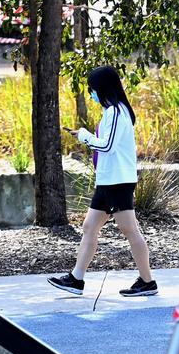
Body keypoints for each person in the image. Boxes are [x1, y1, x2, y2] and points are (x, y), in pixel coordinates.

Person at [48, 65, 158, 298]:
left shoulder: (117, 112)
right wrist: (86, 136)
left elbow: (107, 145)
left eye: (93, 90)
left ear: (104, 89)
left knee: (129, 229)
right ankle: (76, 278)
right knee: (90, 227)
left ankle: (148, 281)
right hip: (108, 181)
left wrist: (85, 136)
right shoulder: (112, 112)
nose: (91, 94)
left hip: (118, 181)